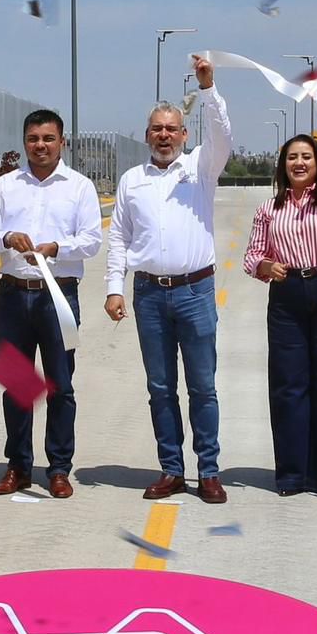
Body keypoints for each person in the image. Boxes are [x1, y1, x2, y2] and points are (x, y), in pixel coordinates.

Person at [105, 54, 233, 504]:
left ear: (184, 134)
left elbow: (223, 135)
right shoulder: (131, 181)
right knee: (160, 388)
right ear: (147, 135)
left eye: (172, 129)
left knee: (203, 387)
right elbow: (119, 237)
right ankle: (172, 469)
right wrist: (114, 288)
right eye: (157, 129)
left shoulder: (201, 168)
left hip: (195, 292)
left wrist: (208, 88)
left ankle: (209, 471)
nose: (164, 136)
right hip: (149, 296)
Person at [0, 110, 102, 499]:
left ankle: (59, 468)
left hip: (58, 296)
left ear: (62, 142)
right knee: (17, 385)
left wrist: (57, 248)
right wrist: (7, 237)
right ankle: (18, 465)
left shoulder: (79, 187)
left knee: (60, 385)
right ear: (25, 142)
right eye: (33, 138)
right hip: (13, 295)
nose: (40, 145)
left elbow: (92, 240)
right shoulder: (6, 186)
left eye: (48, 138)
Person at [243, 106, 317, 497]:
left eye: (307, 157)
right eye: (292, 157)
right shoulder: (269, 209)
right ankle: (292, 474)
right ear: (283, 165)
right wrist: (265, 266)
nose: (299, 163)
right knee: (288, 385)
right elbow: (251, 255)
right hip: (287, 297)